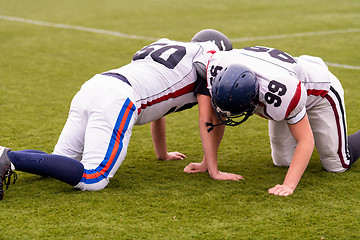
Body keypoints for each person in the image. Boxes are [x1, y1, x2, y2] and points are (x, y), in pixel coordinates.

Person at [0, 29, 240, 200]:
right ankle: (7, 156)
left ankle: (8, 156)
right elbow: (208, 118)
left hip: (95, 85)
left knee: (59, 163)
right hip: (118, 97)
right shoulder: (208, 59)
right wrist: (213, 169)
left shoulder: (173, 48)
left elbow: (161, 107)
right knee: (94, 179)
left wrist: (162, 154)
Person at [184, 46, 360, 196]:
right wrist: (207, 164)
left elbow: (306, 140)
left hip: (320, 91)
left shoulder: (280, 93)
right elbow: (214, 120)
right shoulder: (217, 68)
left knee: (336, 164)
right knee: (283, 161)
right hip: (286, 80)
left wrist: (288, 185)